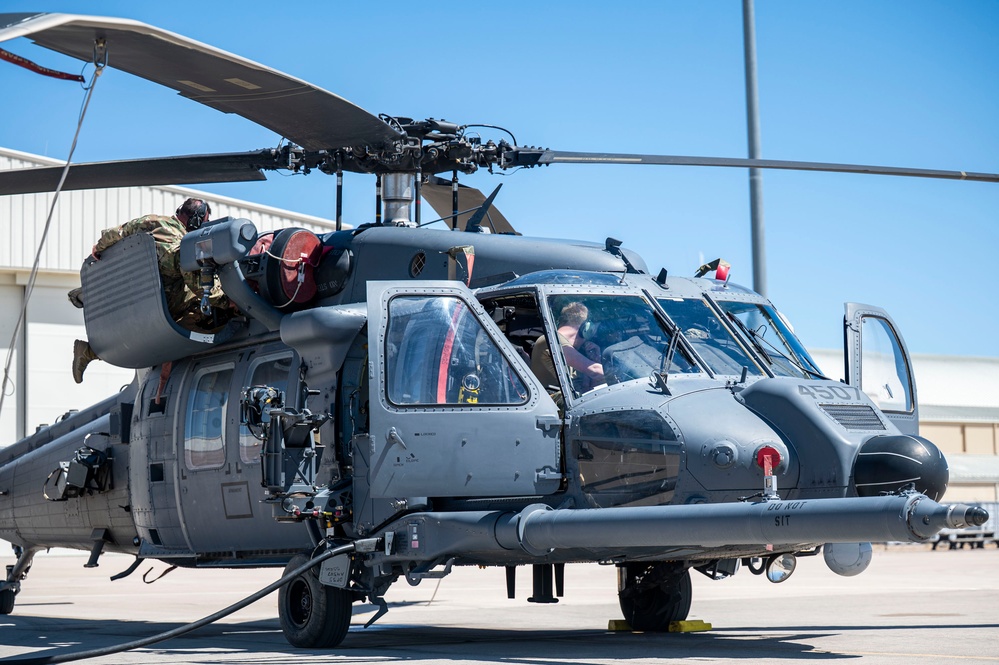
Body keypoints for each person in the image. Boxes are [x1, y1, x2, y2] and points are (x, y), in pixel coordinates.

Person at [71, 197, 227, 383]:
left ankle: (90, 351)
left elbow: (119, 232)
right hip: (162, 309)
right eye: (204, 221)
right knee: (204, 308)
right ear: (195, 221)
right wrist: (228, 301)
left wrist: (99, 247)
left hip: (134, 303)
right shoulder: (181, 247)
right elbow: (201, 287)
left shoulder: (153, 222)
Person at [531, 301, 604, 397]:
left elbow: (587, 387)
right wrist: (621, 374)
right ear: (585, 329)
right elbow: (594, 371)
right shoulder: (551, 340)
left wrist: (596, 359)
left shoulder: (566, 349)